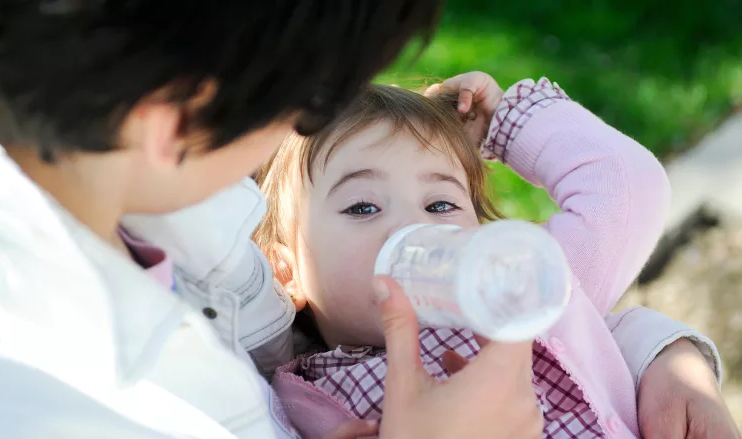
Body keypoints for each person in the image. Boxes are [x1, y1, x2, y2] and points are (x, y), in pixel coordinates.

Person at [0, 1, 549, 438]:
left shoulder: (181, 213)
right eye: (315, 102)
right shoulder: (37, 397)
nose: (300, 126)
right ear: (176, 120)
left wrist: (644, 348)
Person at [250, 74, 740, 438]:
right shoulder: (299, 402)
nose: (415, 227)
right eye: (362, 206)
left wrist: (505, 126)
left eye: (440, 203)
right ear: (285, 272)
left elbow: (627, 188)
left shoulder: (523, 289)